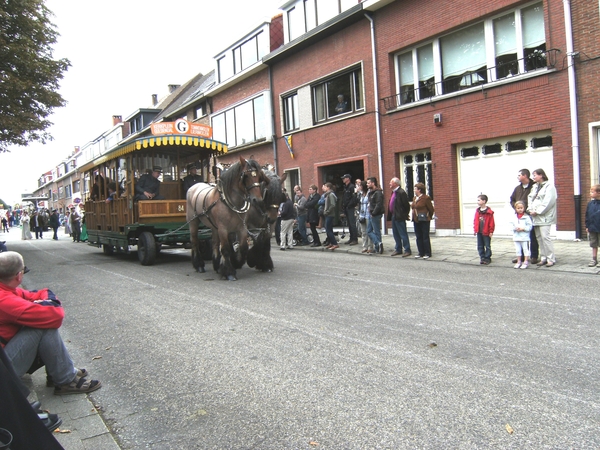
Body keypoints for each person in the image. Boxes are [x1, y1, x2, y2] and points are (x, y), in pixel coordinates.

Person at [0, 251, 102, 396]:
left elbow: (40, 292)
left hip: (5, 356)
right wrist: (49, 302)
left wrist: (45, 301)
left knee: (42, 321)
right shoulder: (5, 300)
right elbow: (55, 315)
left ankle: (60, 373)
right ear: (19, 276)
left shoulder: (7, 290)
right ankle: (66, 379)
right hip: (4, 370)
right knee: (44, 326)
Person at [527, 168, 557, 267]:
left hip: (545, 217)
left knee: (545, 237)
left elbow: (548, 201)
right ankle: (543, 257)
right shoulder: (535, 187)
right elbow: (530, 198)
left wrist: (538, 211)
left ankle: (551, 258)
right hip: (535, 217)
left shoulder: (549, 186)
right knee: (539, 238)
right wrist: (530, 209)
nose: (533, 177)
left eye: (535, 175)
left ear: (541, 175)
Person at [510, 169, 539, 264]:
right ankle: (521, 256)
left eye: (519, 175)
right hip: (519, 215)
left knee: (532, 235)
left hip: (529, 214)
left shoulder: (534, 186)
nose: (518, 177)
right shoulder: (518, 188)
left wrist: (527, 209)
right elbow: (512, 199)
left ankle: (534, 256)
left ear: (525, 176)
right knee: (521, 235)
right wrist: (516, 208)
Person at [388, 177, 412, 257]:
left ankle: (407, 249)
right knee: (396, 233)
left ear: (395, 183)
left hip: (399, 216)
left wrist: (404, 214)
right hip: (394, 216)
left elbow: (406, 205)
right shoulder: (393, 192)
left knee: (402, 233)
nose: (389, 184)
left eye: (391, 182)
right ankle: (398, 249)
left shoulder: (401, 192)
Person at [411, 182, 435, 259]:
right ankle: (420, 252)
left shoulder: (426, 198)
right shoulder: (414, 198)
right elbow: (413, 207)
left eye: (415, 189)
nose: (414, 190)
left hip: (424, 220)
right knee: (418, 236)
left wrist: (428, 216)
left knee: (425, 236)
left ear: (419, 190)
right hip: (416, 219)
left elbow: (431, 209)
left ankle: (427, 253)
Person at [510, 201, 533, 269]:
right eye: (518, 208)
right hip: (516, 236)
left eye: (521, 208)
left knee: (525, 249)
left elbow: (530, 226)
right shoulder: (514, 217)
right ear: (515, 209)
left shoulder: (527, 217)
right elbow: (511, 225)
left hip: (524, 237)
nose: (520, 209)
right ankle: (519, 261)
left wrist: (523, 228)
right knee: (518, 250)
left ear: (524, 208)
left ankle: (525, 261)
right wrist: (515, 228)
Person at [473, 194, 495, 265]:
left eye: (479, 200)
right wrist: (475, 229)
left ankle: (487, 257)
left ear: (484, 201)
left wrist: (491, 231)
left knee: (487, 245)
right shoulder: (477, 211)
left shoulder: (489, 212)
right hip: (479, 231)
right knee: (480, 245)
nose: (478, 201)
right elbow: (475, 221)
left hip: (486, 232)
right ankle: (482, 257)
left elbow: (491, 222)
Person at [366, 177, 384, 254]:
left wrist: (374, 213)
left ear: (373, 183)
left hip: (375, 214)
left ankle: (378, 246)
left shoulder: (378, 193)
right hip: (371, 214)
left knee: (376, 231)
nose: (367, 184)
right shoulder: (371, 192)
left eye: (368, 183)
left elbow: (378, 204)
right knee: (369, 231)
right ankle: (378, 245)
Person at [341, 174, 359, 245]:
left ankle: (355, 239)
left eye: (344, 178)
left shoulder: (352, 187)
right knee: (349, 224)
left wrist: (349, 205)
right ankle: (351, 238)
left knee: (352, 224)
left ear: (348, 179)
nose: (343, 179)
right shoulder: (345, 187)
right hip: (346, 208)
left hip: (350, 208)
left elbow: (354, 198)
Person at [585, 184, 600, 267]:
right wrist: (587, 226)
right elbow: (587, 215)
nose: (590, 193)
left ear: (599, 193)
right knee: (593, 243)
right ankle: (594, 259)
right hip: (592, 227)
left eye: (592, 192)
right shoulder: (590, 203)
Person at [357, 180, 374, 254]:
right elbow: (358, 203)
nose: (359, 187)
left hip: (368, 215)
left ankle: (370, 247)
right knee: (363, 232)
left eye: (360, 185)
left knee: (369, 231)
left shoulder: (369, 193)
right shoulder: (360, 194)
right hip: (361, 214)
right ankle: (365, 246)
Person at [323, 182, 339, 250]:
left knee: (328, 229)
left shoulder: (331, 194)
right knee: (329, 229)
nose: (324, 188)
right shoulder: (327, 195)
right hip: (328, 214)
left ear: (328, 187)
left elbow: (332, 205)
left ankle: (335, 243)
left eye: (325, 186)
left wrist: (327, 211)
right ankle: (331, 243)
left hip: (330, 214)